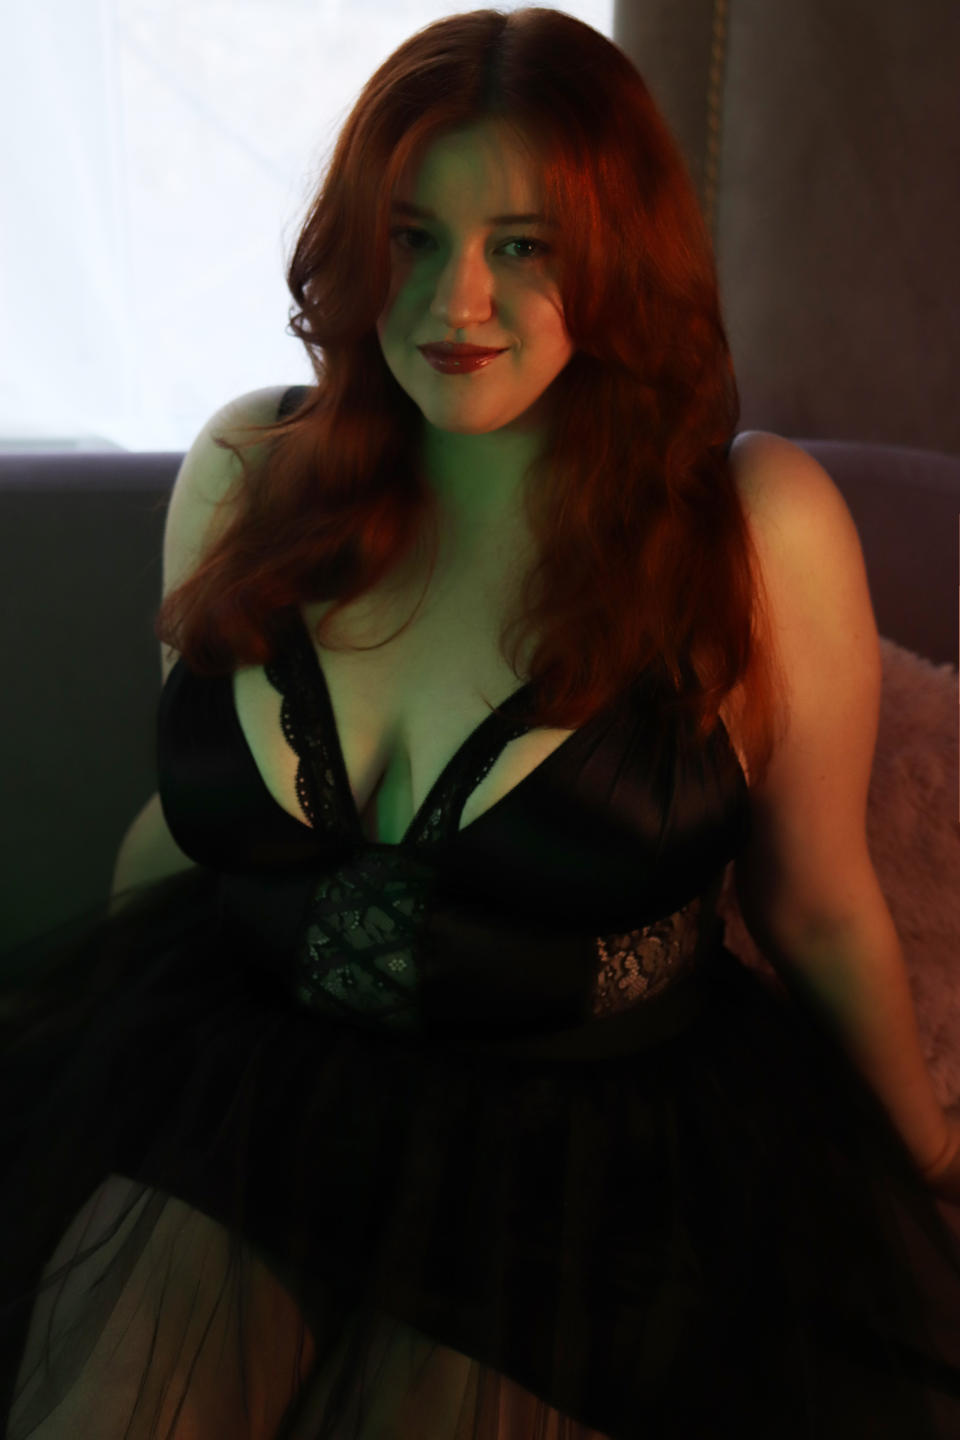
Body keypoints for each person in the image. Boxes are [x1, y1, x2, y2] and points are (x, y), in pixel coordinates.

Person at [3, 7, 960, 1437]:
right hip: (247, 1078)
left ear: (619, 258)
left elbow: (815, 902)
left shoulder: (756, 527)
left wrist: (926, 1157)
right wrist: (70, 1044)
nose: (457, 301)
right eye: (413, 238)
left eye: (524, 245)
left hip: (587, 1154)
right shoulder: (248, 470)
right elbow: (183, 833)